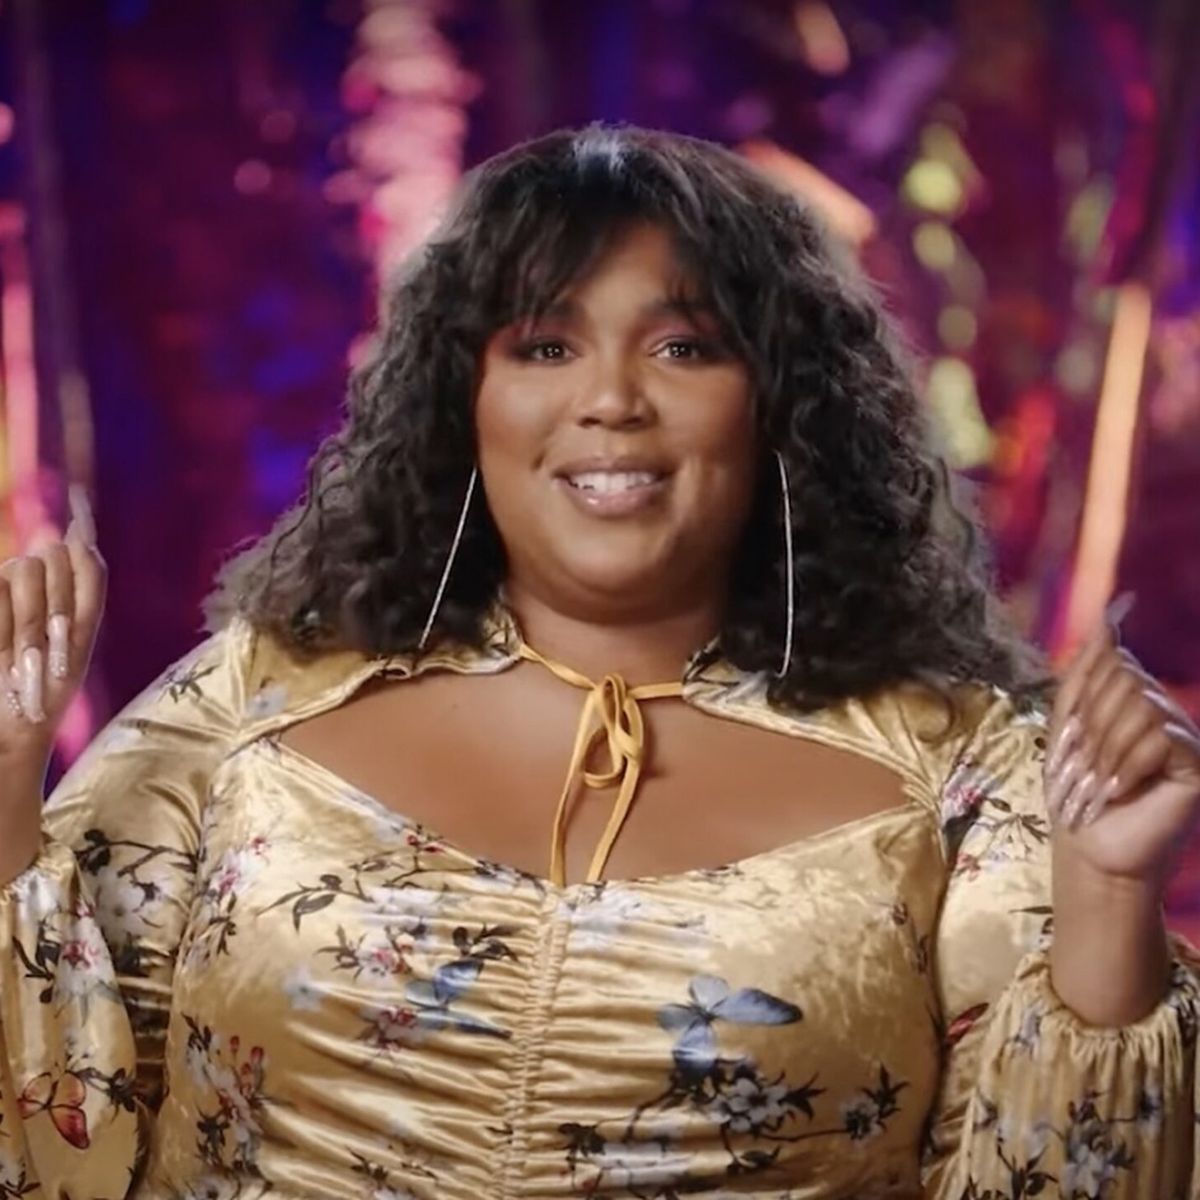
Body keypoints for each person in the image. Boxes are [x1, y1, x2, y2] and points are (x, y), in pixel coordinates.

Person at [1, 125, 1198, 1200]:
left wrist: (1109, 896)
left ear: (780, 404)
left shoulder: (964, 771)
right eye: (545, 345)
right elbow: (57, 1132)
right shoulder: (252, 702)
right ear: (463, 400)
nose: (612, 399)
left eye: (683, 346)